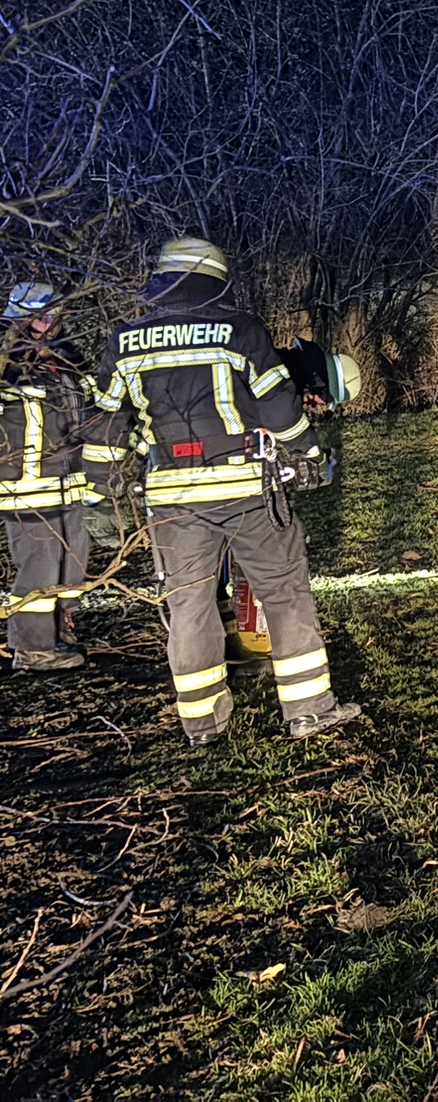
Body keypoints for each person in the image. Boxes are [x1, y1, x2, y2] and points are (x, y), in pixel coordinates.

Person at [83, 238, 360, 746]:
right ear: (216, 281)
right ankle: (308, 711)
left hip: (170, 495)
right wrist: (310, 455)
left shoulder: (123, 341)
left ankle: (203, 726)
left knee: (188, 605)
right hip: (247, 485)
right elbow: (278, 404)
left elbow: (103, 426)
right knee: (284, 593)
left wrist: (99, 494)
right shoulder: (239, 330)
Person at [2, 281, 95, 672]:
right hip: (23, 485)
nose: (48, 321)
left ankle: (61, 626)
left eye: (53, 313)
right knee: (40, 561)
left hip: (68, 480)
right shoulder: (7, 361)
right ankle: (32, 648)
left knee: (75, 558)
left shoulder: (68, 359)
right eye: (38, 315)